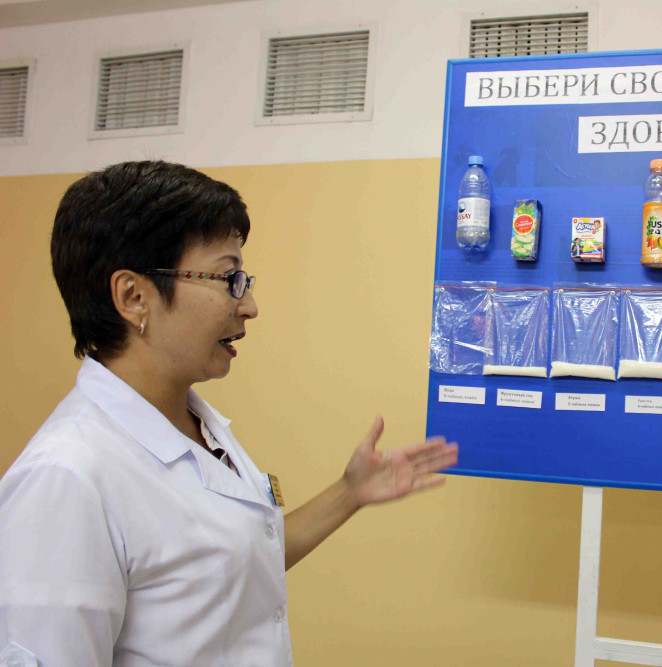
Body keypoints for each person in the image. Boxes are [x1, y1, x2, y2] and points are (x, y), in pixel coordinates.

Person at [0, 161, 458, 665]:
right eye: (228, 279)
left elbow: (232, 563)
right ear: (134, 297)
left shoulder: (196, 423)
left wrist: (349, 493)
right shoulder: (65, 478)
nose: (249, 305)